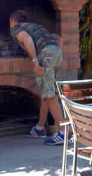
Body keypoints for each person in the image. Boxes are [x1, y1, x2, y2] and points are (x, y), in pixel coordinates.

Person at [9, 10, 66, 145]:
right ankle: (40, 128)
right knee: (46, 93)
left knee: (49, 95)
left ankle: (64, 132)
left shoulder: (16, 28)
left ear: (13, 21)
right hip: (57, 53)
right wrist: (54, 53)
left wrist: (35, 61)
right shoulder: (37, 27)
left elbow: (27, 39)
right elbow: (59, 39)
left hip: (45, 56)